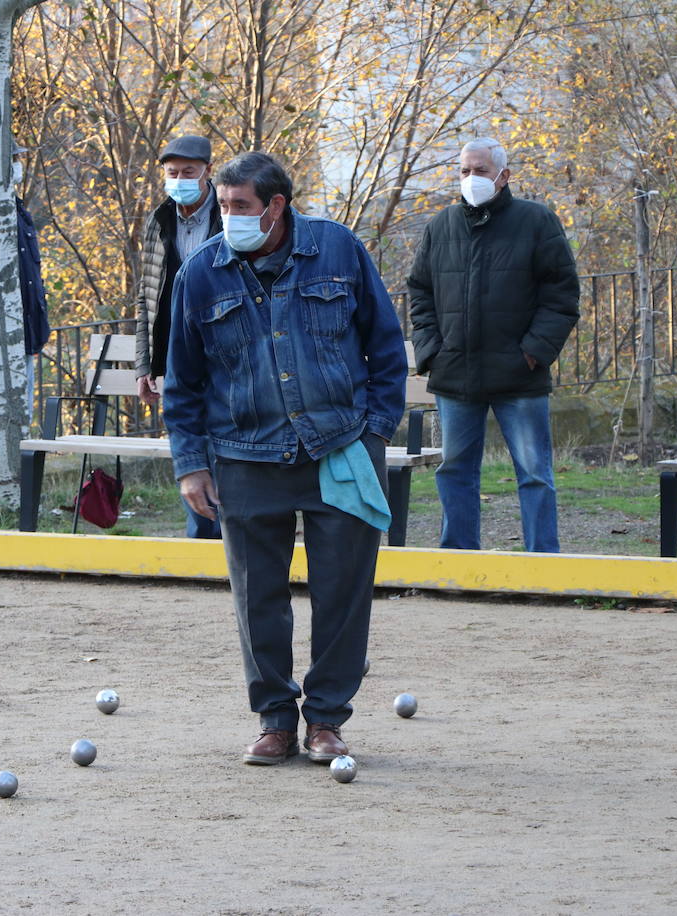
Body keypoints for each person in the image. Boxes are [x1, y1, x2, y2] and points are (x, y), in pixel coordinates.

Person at [164, 152, 408, 767]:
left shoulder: (338, 249)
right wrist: (191, 463)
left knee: (343, 593)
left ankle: (325, 719)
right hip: (244, 456)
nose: (228, 218)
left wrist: (374, 429)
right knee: (257, 598)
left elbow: (384, 343)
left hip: (340, 450)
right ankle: (275, 720)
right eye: (222, 207)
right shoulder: (200, 274)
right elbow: (183, 381)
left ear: (275, 207)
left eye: (240, 207)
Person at [406, 138, 580, 553]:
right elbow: (420, 291)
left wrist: (533, 351)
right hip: (455, 373)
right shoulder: (441, 225)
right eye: (464, 171)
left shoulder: (537, 221)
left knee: (535, 473)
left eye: (480, 171)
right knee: (455, 471)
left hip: (519, 375)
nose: (471, 178)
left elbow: (562, 295)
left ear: (503, 176)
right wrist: (431, 349)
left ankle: (543, 563)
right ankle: (459, 561)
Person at [133, 135, 224, 539]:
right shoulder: (159, 220)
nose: (180, 179)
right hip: (173, 357)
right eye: (173, 173)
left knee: (223, 448)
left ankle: (232, 538)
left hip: (225, 354)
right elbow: (146, 297)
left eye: (189, 172)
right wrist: (144, 365)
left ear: (207, 170)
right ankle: (202, 541)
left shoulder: (230, 215)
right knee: (189, 453)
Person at [14, 144, 50, 412]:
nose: (18, 165)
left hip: (26, 331)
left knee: (23, 412)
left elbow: (31, 276)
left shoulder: (17, 209)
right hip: (8, 334)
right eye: (13, 159)